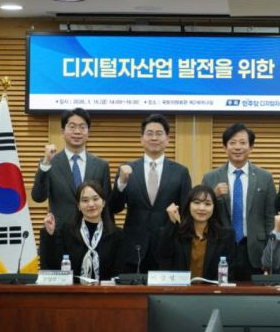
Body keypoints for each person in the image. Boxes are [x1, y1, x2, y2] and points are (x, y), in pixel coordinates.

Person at [109, 114, 192, 273]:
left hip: (168, 247)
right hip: (134, 248)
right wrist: (121, 183)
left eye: (159, 133)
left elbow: (187, 212)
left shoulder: (180, 172)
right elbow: (114, 208)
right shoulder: (127, 169)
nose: (154, 138)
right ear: (141, 139)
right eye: (149, 133)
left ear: (167, 139)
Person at [201, 123, 275, 280]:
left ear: (251, 147)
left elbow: (270, 217)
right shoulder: (210, 177)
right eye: (232, 142)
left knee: (254, 293)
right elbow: (202, 213)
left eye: (242, 142)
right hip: (221, 247)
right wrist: (213, 195)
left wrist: (270, 253)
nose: (237, 147)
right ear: (225, 147)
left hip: (255, 248)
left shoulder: (265, 177)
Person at [32, 108, 111, 229]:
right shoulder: (50, 163)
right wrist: (45, 163)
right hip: (61, 233)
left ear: (88, 132)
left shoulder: (101, 165)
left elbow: (107, 205)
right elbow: (38, 197)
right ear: (63, 131)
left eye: (82, 127)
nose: (77, 131)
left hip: (93, 232)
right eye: (72, 127)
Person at [40, 181, 124, 281]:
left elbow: (119, 273)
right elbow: (54, 266)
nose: (91, 204)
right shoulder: (66, 232)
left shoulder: (117, 235)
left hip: (105, 290)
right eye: (85, 200)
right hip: (72, 289)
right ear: (78, 206)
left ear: (103, 203)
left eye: (95, 199)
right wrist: (50, 234)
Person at [156, 185, 236, 281]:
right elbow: (162, 256)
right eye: (197, 203)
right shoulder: (176, 232)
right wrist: (171, 223)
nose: (202, 208)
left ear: (214, 207)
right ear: (188, 205)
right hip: (179, 289)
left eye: (207, 204)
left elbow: (228, 274)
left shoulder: (226, 236)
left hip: (212, 289)